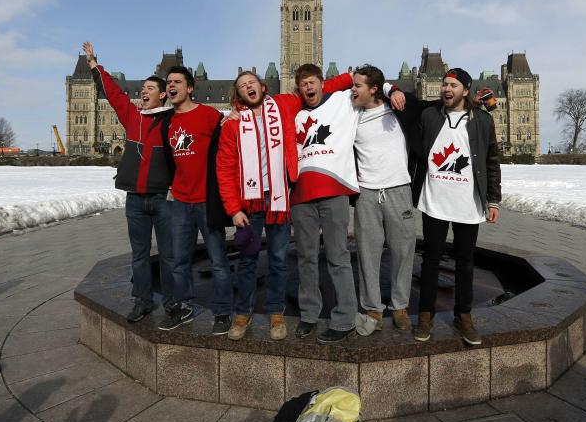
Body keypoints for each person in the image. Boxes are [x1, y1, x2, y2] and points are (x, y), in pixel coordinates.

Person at [290, 64, 404, 344]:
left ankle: (343, 319)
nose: (308, 87)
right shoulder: (294, 113)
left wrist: (393, 88)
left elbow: (368, 81)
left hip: (334, 190)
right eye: (302, 84)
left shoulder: (345, 100)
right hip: (301, 195)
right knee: (305, 258)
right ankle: (308, 315)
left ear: (322, 82)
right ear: (298, 88)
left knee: (338, 257)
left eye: (312, 82)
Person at [81, 41, 174, 323]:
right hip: (135, 198)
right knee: (139, 255)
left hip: (163, 199)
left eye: (149, 88)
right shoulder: (132, 117)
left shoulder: (172, 122)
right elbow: (115, 94)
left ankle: (172, 303)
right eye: (143, 88)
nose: (143, 91)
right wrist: (96, 67)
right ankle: (142, 300)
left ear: (162, 96)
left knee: (169, 255)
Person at [412, 68, 501, 344]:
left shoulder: (482, 121)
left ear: (465, 90)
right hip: (435, 200)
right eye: (443, 84)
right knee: (430, 260)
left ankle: (463, 316)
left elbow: (491, 161)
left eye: (452, 85)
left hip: (468, 202)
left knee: (465, 262)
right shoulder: (429, 116)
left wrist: (493, 199)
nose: (446, 89)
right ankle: (425, 314)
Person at [215, 72, 294, 340]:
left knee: (279, 260)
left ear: (262, 87)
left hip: (279, 200)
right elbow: (224, 169)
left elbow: (318, 87)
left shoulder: (281, 108)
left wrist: (350, 77)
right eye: (242, 86)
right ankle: (243, 312)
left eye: (251, 83)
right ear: (238, 95)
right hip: (250, 203)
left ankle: (275, 312)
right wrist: (234, 209)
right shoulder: (233, 124)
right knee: (248, 261)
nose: (248, 87)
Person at [158, 65, 234, 334]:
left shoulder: (209, 116)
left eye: (177, 82)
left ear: (190, 87)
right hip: (179, 201)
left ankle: (223, 311)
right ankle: (183, 307)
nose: (171, 86)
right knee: (178, 261)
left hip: (207, 202)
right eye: (168, 82)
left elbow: (229, 146)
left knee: (218, 261)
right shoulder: (167, 121)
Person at [350, 64, 417, 334]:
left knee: (403, 250)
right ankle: (373, 308)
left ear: (374, 89)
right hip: (366, 192)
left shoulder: (398, 108)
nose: (352, 90)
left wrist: (393, 88)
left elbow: (427, 105)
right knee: (367, 252)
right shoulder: (351, 113)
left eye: (358, 86)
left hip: (399, 189)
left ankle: (400, 305)